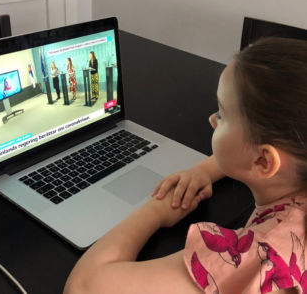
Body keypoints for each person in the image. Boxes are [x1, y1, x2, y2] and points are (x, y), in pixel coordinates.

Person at [64, 38, 307, 294]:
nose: (212, 119)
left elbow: (83, 286)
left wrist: (156, 210)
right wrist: (203, 171)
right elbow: (251, 154)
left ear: (263, 161)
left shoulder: (259, 255)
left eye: (222, 115)